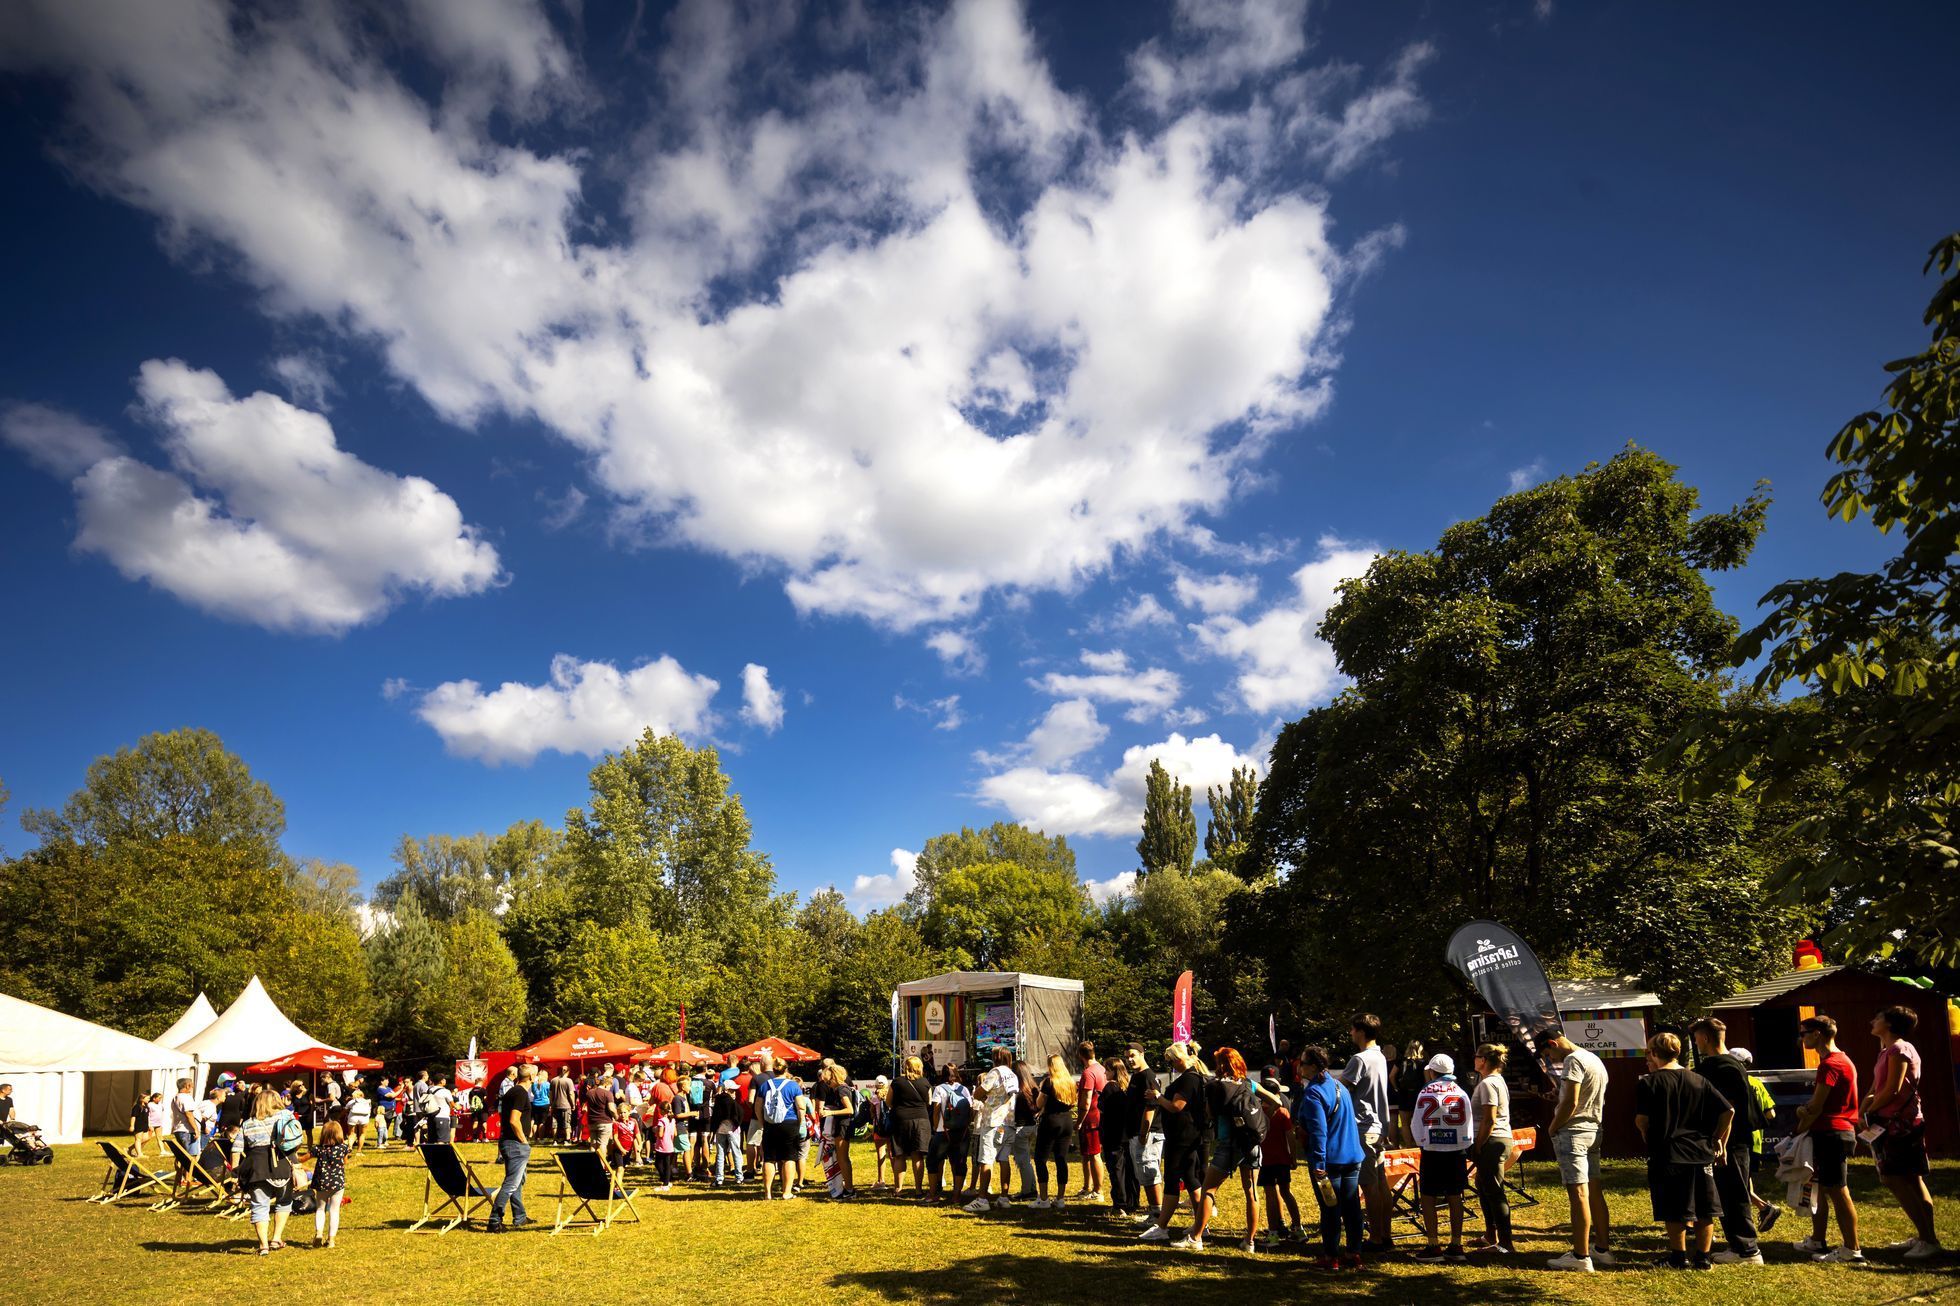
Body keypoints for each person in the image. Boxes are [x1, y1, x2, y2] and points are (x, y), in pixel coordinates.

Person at [1635, 1032, 1732, 1270]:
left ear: (1655, 1054)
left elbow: (1641, 1119)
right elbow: (1728, 1111)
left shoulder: (1649, 1082)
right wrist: (1718, 1138)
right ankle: (1703, 1257)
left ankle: (1678, 1257)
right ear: (1677, 1052)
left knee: (1673, 1207)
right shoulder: (1699, 1080)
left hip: (1667, 1152)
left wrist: (1645, 1133)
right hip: (1700, 1150)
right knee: (1705, 1207)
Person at [1866, 1006, 1942, 1259]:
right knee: (1910, 1178)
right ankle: (1925, 1237)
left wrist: (1869, 1113)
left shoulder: (1900, 1049)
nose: (1872, 1021)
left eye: (1877, 1017)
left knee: (1895, 1178)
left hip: (1901, 1125)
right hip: (1891, 1122)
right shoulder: (1886, 1050)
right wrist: (1864, 1106)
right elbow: (1876, 1087)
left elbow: (1893, 1090)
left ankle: (1929, 1240)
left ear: (1888, 1024)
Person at [1687, 1018, 1762, 1265]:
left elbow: (1727, 1109)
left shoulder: (1721, 1068)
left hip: (1730, 1141)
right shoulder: (1732, 1064)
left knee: (1734, 1193)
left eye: (1697, 1037)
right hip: (1731, 1140)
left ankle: (1747, 1250)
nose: (1696, 1042)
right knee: (1729, 1192)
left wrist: (1720, 1142)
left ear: (1706, 1038)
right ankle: (1738, 1244)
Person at [1543, 1026, 1614, 1271]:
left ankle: (1580, 1256)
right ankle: (1602, 1250)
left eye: (1547, 1054)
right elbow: (1584, 1095)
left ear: (1552, 1044)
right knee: (1594, 1190)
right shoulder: (1592, 1058)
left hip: (1573, 1132)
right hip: (1594, 1129)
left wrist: (1553, 1128)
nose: (1550, 1060)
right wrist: (1558, 1096)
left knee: (1579, 1194)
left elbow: (1572, 1102)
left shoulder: (1572, 1060)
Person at [1793, 1014, 1863, 1263]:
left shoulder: (1831, 1064)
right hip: (1833, 1131)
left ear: (1817, 1034)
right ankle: (1817, 1240)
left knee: (1838, 1190)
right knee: (1819, 1188)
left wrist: (1801, 1117)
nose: (1801, 1039)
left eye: (1803, 1033)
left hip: (1833, 1132)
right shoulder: (1841, 1060)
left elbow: (1816, 1106)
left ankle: (1851, 1250)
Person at [1296, 1045, 1364, 1268]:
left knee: (1330, 1209)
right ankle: (1353, 1252)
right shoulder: (1338, 1085)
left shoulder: (1314, 1092)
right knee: (1352, 1206)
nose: (1299, 1066)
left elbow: (1318, 1131)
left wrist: (1319, 1163)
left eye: (1303, 1063)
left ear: (1314, 1066)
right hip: (1352, 1156)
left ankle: (1331, 1256)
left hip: (1331, 1161)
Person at [1192, 1047, 1262, 1254]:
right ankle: (1249, 1241)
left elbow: (1210, 1114)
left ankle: (1196, 1237)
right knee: (1252, 1192)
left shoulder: (1216, 1086)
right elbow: (1275, 1100)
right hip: (1252, 1143)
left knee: (1208, 1190)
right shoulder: (1249, 1084)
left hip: (1229, 1144)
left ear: (1221, 1065)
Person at [1140, 1043, 1209, 1246]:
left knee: (1172, 1181)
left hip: (1181, 1138)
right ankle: (1201, 1225)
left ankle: (1161, 1227)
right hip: (1188, 1136)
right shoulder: (1195, 1076)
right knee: (1191, 1180)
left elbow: (1176, 1106)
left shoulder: (1188, 1079)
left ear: (1178, 1059)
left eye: (1170, 1061)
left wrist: (1158, 1097)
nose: (1169, 1065)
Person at [1412, 1053, 1473, 1264]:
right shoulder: (1461, 1092)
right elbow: (1468, 1122)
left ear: (1432, 1071)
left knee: (1428, 1197)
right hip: (1456, 1149)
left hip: (1432, 1149)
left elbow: (1416, 1122)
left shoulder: (1425, 1091)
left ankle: (1433, 1243)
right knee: (1455, 1195)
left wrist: (1422, 1141)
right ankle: (1456, 1243)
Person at [1343, 1013, 1396, 1250]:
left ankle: (1375, 1238)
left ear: (1362, 1031)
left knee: (1368, 1185)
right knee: (1382, 1184)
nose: (1351, 1034)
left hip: (1362, 1128)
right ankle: (1386, 1233)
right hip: (1378, 1127)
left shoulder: (1359, 1058)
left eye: (1353, 1030)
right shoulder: (1380, 1056)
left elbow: (1342, 1089)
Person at [234, 1087, 301, 1255]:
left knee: (259, 1205)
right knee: (284, 1202)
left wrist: (235, 1171)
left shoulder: (247, 1123)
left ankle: (263, 1245)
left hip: (256, 1166)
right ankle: (276, 1238)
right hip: (282, 1164)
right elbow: (296, 1140)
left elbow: (236, 1148)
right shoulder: (285, 1117)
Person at [1468, 1043, 1516, 1256]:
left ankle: (1506, 1243)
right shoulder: (1495, 1081)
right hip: (1496, 1139)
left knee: (1494, 1191)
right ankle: (1491, 1235)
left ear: (1484, 1060)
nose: (1474, 1059)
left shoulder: (1488, 1084)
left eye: (1477, 1056)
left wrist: (1478, 1144)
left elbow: (1490, 1118)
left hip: (1493, 1140)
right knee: (1484, 1184)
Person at [1729, 1048, 1782, 1230]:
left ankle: (1764, 1208)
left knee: (1738, 1181)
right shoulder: (1756, 1083)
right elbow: (1771, 1114)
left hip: (1737, 1138)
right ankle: (1762, 1210)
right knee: (1745, 1179)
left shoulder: (1735, 1083)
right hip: (1756, 1140)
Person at [966, 1048, 1021, 1213]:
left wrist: (984, 1097)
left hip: (993, 1122)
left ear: (995, 1058)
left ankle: (982, 1199)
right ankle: (1004, 1197)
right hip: (1009, 1121)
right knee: (1004, 1159)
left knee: (986, 1160)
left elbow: (978, 1093)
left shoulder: (995, 1073)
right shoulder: (1013, 1075)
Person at [487, 1063, 534, 1233]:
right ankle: (494, 1220)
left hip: (508, 1141)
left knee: (517, 1181)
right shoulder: (520, 1093)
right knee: (511, 1184)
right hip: (515, 1143)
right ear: (531, 1077)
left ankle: (520, 1217)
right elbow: (514, 1120)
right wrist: (523, 1141)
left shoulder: (512, 1091)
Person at [756, 1055, 805, 1200]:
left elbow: (758, 1106)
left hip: (770, 1124)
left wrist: (762, 1122)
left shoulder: (765, 1085)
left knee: (769, 1158)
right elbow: (801, 1107)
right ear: (786, 1069)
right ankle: (786, 1192)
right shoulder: (793, 1085)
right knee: (789, 1158)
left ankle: (767, 1193)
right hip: (789, 1123)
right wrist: (799, 1122)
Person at [1032, 1054, 1078, 1209]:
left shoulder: (1049, 1082)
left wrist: (1039, 1095)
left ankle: (1043, 1198)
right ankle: (1060, 1198)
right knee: (1061, 1159)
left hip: (1050, 1121)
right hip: (1066, 1121)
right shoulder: (1070, 1082)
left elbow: (1039, 1103)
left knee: (1040, 1158)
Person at [1125, 1045, 1164, 1226]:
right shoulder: (1136, 1075)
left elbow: (1151, 1107)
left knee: (1150, 1173)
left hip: (1148, 1134)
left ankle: (1157, 1215)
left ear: (1142, 1054)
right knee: (1145, 1174)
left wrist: (1143, 1133)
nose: (1130, 1059)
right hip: (1138, 1133)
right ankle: (1154, 1211)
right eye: (1127, 1057)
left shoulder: (1147, 1076)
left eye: (1133, 1056)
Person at [888, 1056, 933, 1197]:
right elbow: (929, 1102)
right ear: (919, 1067)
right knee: (917, 1155)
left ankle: (898, 1189)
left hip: (900, 1120)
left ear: (905, 1067)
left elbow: (889, 1102)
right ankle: (919, 1190)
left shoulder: (897, 1082)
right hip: (921, 1120)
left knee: (899, 1155)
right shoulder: (925, 1082)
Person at [929, 1065, 974, 1203]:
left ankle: (933, 1194)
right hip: (962, 1133)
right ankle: (956, 1195)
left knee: (933, 1162)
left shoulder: (939, 1089)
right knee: (959, 1162)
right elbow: (970, 1111)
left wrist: (936, 1127)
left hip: (943, 1132)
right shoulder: (964, 1089)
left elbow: (936, 1110)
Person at [1101, 1055, 1139, 1216]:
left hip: (1112, 1134)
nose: (1104, 1072)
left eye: (1106, 1069)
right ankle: (1132, 1201)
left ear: (1113, 1071)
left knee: (1116, 1170)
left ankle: (1120, 1204)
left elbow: (1103, 1107)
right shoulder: (1127, 1086)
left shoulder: (1110, 1087)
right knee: (1129, 1169)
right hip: (1125, 1134)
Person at [1075, 1040, 1108, 1203]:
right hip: (1099, 1116)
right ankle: (1087, 1186)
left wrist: (1079, 1120)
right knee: (1086, 1154)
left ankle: (1098, 1190)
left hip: (1091, 1118)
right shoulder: (1102, 1069)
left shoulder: (1088, 1073)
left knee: (1094, 1155)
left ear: (1080, 1055)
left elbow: (1086, 1101)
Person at [310, 1119, 349, 1248]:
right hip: (337, 1183)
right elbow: (345, 1161)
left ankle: (319, 1233)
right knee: (334, 1210)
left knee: (320, 1209)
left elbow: (305, 1157)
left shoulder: (318, 1149)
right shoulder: (343, 1148)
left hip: (321, 1182)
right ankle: (331, 1240)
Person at [1009, 1060, 1040, 1200]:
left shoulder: (1017, 1091)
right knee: (1026, 1159)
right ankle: (1031, 1187)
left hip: (1020, 1128)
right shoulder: (1033, 1088)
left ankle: (1028, 1191)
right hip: (1031, 1126)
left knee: (1023, 1161)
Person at [1393, 1039, 1426, 1149]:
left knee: (1405, 1123)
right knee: (1418, 1122)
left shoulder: (1401, 1061)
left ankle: (1408, 1146)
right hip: (1418, 1096)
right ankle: (1418, 1145)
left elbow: (1391, 1076)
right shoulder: (1423, 1063)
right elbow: (1427, 1081)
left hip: (1403, 1094)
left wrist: (1396, 1088)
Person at [373, 1077, 394, 1149]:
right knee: (381, 1127)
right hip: (382, 1110)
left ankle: (384, 1140)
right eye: (386, 1080)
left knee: (386, 1126)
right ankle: (379, 1142)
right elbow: (392, 1095)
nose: (388, 1081)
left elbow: (394, 1096)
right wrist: (402, 1089)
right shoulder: (380, 1089)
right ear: (382, 1082)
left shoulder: (389, 1088)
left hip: (390, 1109)